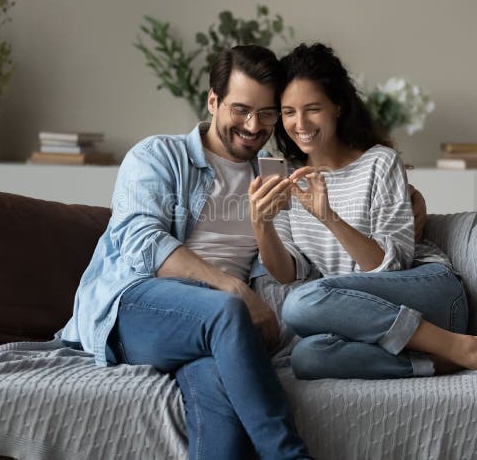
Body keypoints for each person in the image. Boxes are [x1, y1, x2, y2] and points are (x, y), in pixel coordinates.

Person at [61, 45, 310, 460]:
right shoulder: (158, 155)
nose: (253, 126)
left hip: (211, 332)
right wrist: (230, 288)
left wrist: (264, 223)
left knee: (222, 420)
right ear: (213, 100)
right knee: (225, 311)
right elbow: (141, 239)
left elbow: (284, 268)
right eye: (241, 109)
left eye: (267, 113)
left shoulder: (270, 175)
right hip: (136, 306)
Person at [249, 43, 477, 381]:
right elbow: (286, 273)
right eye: (288, 112)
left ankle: (465, 347)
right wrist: (261, 222)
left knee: (301, 303)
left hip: (431, 295)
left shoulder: (378, 162)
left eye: (312, 108)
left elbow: (389, 266)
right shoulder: (288, 180)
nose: (300, 123)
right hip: (367, 316)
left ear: (338, 106)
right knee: (307, 357)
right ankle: (439, 361)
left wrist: (329, 217)